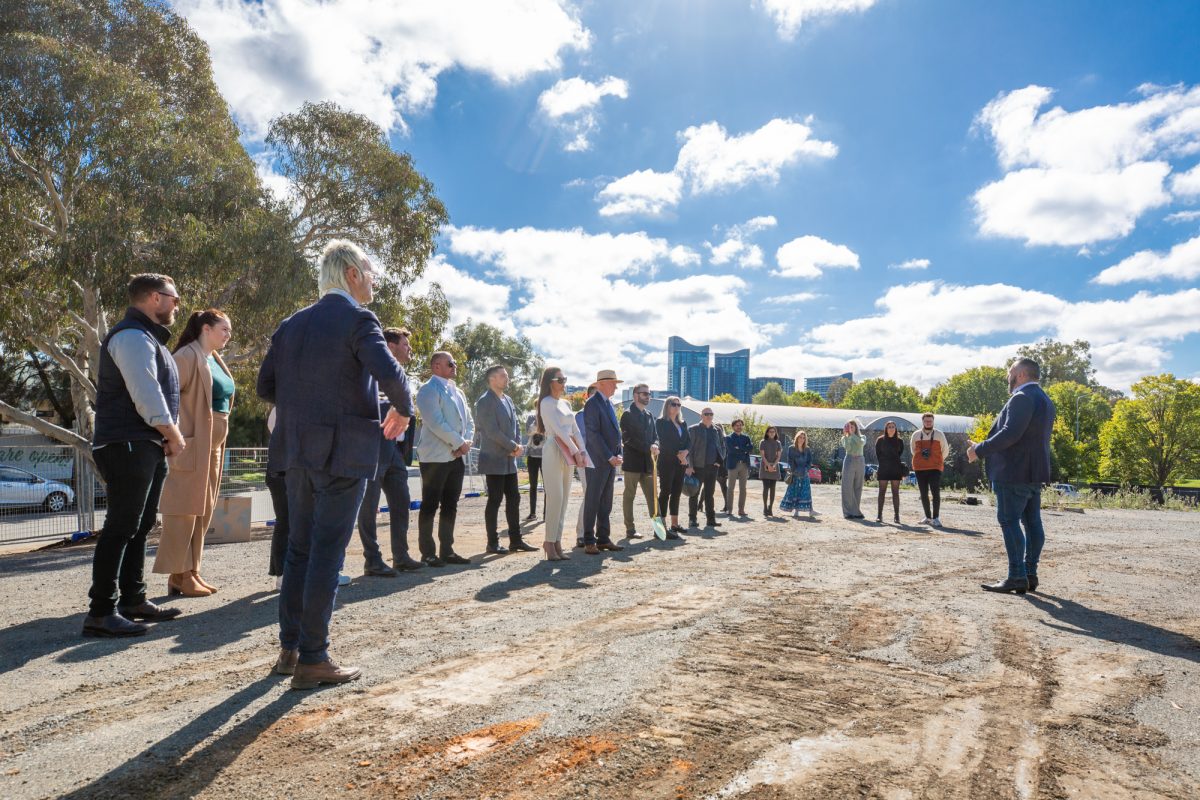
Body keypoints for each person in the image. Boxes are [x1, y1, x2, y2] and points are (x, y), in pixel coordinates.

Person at [257, 240, 412, 689]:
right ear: (350, 275)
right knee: (327, 551)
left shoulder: (291, 324)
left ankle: (290, 649)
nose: (373, 278)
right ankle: (314, 657)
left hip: (296, 450)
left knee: (299, 550)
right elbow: (390, 372)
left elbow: (267, 384)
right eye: (369, 270)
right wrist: (402, 409)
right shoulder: (359, 319)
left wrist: (306, 402)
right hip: (343, 452)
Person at [83, 274, 185, 637]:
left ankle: (133, 599)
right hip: (126, 443)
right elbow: (146, 393)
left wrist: (165, 439)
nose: (177, 305)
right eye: (174, 298)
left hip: (144, 443)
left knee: (139, 526)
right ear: (155, 298)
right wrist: (172, 434)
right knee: (122, 525)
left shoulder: (146, 338)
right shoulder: (130, 337)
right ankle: (100, 611)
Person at [153, 309, 235, 597]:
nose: (228, 335)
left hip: (212, 448)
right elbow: (164, 398)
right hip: (190, 445)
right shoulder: (186, 357)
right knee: (183, 510)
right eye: (224, 329)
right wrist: (172, 437)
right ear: (206, 328)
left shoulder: (214, 359)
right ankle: (179, 573)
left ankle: (192, 571)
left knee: (203, 510)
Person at [969, 358, 1056, 595]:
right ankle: (1029, 573)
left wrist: (979, 449)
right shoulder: (1045, 400)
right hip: (1033, 472)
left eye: (1010, 372)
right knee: (1032, 523)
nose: (1007, 376)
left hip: (1013, 471)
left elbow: (1010, 434)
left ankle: (1017, 575)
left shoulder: (1022, 397)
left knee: (1009, 521)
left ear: (1019, 374)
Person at [356, 327, 423, 576]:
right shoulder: (373, 369)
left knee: (401, 502)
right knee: (369, 505)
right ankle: (372, 560)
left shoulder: (400, 374)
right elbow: (371, 403)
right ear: (391, 345)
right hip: (373, 448)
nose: (409, 349)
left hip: (395, 450)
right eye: (405, 345)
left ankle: (401, 556)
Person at [415, 352, 474, 567]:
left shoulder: (458, 392)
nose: (455, 366)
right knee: (430, 505)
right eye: (451, 363)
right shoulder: (427, 390)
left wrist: (465, 442)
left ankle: (447, 550)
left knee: (451, 504)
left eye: (455, 363)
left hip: (456, 457)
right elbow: (435, 422)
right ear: (436, 366)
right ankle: (427, 552)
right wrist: (458, 442)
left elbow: (469, 421)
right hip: (435, 458)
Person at [475, 365, 537, 555]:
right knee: (494, 499)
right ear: (492, 379)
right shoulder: (485, 401)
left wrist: (517, 445)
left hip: (509, 460)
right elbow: (491, 431)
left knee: (514, 498)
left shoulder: (508, 399)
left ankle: (515, 540)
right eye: (503, 376)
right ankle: (492, 542)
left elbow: (516, 425)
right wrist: (512, 446)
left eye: (507, 375)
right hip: (494, 458)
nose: (507, 378)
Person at [536, 367, 586, 560]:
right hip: (554, 448)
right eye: (561, 379)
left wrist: (582, 450)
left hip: (569, 450)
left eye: (565, 379)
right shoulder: (546, 403)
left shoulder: (565, 403)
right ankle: (549, 542)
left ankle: (556, 541)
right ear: (550, 381)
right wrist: (576, 451)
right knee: (555, 497)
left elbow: (575, 430)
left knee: (564, 499)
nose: (564, 383)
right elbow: (558, 430)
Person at [582, 370, 625, 554]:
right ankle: (589, 540)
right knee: (593, 500)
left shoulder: (609, 404)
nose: (616, 386)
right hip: (599, 460)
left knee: (606, 501)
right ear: (601, 384)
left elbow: (616, 434)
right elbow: (593, 435)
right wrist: (609, 456)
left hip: (609, 460)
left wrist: (618, 453)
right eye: (613, 383)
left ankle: (603, 539)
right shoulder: (592, 403)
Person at [620, 383, 660, 539]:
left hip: (648, 464)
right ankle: (630, 529)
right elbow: (628, 439)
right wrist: (648, 447)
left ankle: (658, 529)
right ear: (636, 395)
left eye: (649, 394)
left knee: (653, 496)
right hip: (632, 464)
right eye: (645, 394)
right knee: (629, 496)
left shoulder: (649, 415)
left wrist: (655, 444)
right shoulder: (627, 414)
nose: (648, 397)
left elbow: (655, 436)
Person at [655, 397, 689, 537]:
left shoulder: (683, 423)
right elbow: (664, 442)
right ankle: (661, 527)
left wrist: (686, 452)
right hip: (667, 461)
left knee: (676, 492)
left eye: (679, 404)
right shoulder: (661, 422)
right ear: (667, 406)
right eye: (673, 404)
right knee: (665, 492)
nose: (676, 406)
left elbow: (688, 441)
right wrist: (679, 455)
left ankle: (674, 524)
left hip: (681, 462)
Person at [686, 408, 724, 529]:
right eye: (706, 414)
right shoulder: (693, 429)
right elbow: (689, 449)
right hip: (697, 467)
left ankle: (711, 520)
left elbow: (723, 446)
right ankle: (692, 519)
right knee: (694, 494)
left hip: (713, 467)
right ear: (701, 416)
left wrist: (719, 460)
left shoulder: (717, 430)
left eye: (711, 414)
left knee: (709, 494)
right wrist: (690, 466)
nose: (709, 416)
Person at [911, 412, 950, 528]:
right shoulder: (916, 435)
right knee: (923, 493)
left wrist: (936, 461)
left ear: (933, 422)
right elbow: (913, 451)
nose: (928, 423)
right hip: (920, 468)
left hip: (935, 468)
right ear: (922, 421)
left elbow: (945, 450)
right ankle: (928, 517)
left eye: (930, 421)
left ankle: (936, 518)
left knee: (935, 492)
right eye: (926, 421)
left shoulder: (939, 434)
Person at [265, 407, 289, 590]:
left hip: (285, 470)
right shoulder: (280, 408)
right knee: (286, 522)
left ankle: (282, 572)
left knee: (287, 522)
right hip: (282, 471)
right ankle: (281, 574)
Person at [573, 384, 596, 548]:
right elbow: (579, 439)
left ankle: (595, 533)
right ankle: (582, 533)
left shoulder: (604, 414)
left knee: (598, 497)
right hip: (585, 460)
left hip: (602, 461)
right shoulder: (580, 416)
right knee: (589, 495)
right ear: (587, 397)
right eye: (593, 395)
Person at [874, 421, 905, 524]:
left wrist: (893, 462)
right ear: (886, 429)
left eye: (893, 427)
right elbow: (878, 454)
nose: (891, 428)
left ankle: (896, 516)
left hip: (896, 468)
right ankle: (879, 515)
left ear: (895, 429)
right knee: (881, 492)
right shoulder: (880, 440)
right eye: (889, 427)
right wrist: (884, 463)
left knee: (895, 493)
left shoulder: (900, 441)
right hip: (883, 468)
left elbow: (899, 453)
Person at [779, 431, 814, 519]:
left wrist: (806, 469)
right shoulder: (791, 448)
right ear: (797, 437)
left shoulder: (807, 449)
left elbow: (810, 462)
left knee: (806, 492)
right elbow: (790, 460)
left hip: (805, 473)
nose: (802, 439)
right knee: (794, 491)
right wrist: (795, 470)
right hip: (795, 473)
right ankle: (796, 510)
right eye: (800, 437)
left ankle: (810, 510)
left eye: (803, 438)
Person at [723, 419, 753, 517]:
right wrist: (744, 449)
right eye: (737, 425)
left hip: (744, 465)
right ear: (733, 426)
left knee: (743, 489)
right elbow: (731, 450)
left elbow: (750, 448)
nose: (739, 427)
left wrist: (739, 448)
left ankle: (741, 510)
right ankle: (729, 509)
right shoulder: (728, 438)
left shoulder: (746, 437)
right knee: (730, 488)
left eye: (740, 425)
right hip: (733, 465)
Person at [840, 420, 865, 519]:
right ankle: (847, 512)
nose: (850, 428)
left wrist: (853, 435)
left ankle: (856, 511)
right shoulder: (844, 438)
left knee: (858, 487)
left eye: (852, 427)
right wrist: (847, 436)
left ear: (855, 427)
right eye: (849, 427)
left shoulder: (862, 437)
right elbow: (848, 448)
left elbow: (860, 444)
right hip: (849, 460)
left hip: (860, 460)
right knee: (847, 487)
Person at [759, 426, 782, 517]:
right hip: (765, 466)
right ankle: (765, 507)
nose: (772, 433)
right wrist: (768, 465)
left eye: (773, 431)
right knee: (765, 488)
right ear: (767, 433)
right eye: (770, 431)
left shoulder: (778, 443)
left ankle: (770, 508)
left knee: (773, 488)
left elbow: (779, 456)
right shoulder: (763, 442)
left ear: (776, 433)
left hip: (775, 467)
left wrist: (774, 465)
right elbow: (762, 455)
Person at [524, 410, 543, 521]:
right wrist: (537, 421)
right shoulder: (531, 417)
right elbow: (529, 431)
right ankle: (532, 513)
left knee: (547, 487)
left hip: (545, 456)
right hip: (532, 457)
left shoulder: (548, 416)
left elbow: (548, 432)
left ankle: (547, 514)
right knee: (533, 486)